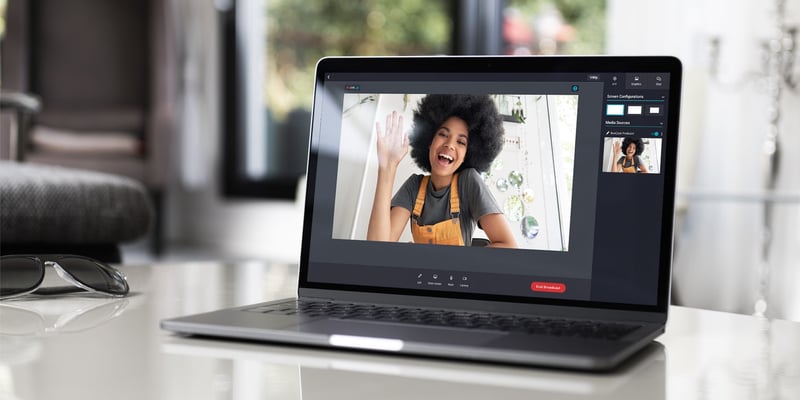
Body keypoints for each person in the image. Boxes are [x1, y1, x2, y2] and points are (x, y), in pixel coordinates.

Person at [366, 94, 517, 248]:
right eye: (443, 134)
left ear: (468, 154)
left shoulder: (468, 182)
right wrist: (387, 166)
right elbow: (377, 248)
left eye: (461, 142)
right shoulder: (414, 187)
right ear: (429, 141)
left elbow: (509, 246)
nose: (450, 145)